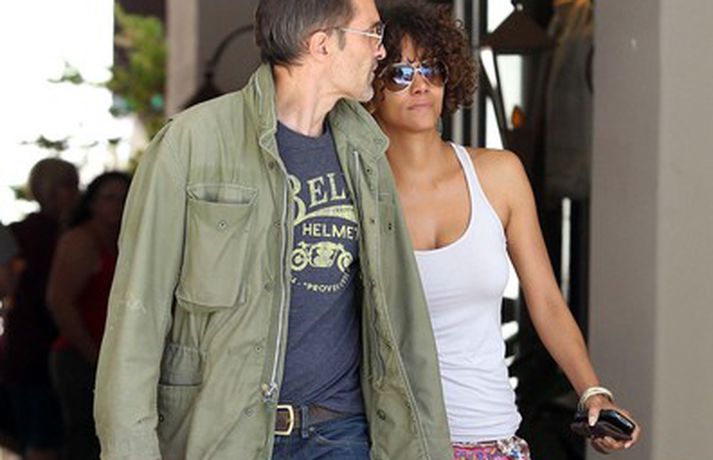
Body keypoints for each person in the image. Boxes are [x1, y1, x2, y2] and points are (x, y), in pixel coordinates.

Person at [93, 0, 452, 459]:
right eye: (372, 34)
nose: (381, 51)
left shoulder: (365, 151)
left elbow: (403, 319)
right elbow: (138, 313)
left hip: (339, 432)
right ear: (321, 44)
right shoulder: (191, 143)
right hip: (223, 437)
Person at [366, 3, 642, 459]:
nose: (420, 84)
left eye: (432, 69)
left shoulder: (499, 175)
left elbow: (546, 301)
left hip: (490, 436)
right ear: (370, 88)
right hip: (390, 443)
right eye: (399, 73)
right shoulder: (354, 188)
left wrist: (593, 392)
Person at [0, 158, 79, 460]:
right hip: (34, 349)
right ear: (50, 190)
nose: (75, 193)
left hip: (45, 347)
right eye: (69, 186)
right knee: (43, 441)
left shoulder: (69, 232)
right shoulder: (30, 234)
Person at [47, 172, 130, 460]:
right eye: (109, 198)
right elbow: (60, 301)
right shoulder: (80, 240)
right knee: (85, 439)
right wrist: (94, 355)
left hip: (112, 357)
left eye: (124, 198)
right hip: (81, 356)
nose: (117, 205)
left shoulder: (125, 240)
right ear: (92, 203)